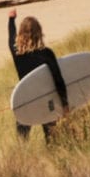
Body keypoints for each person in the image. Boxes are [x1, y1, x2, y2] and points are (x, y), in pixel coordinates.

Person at [8, 10, 68, 143]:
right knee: (52, 138)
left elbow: (11, 37)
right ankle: (54, 158)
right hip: (44, 99)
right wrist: (64, 104)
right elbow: (58, 79)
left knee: (22, 140)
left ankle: (22, 161)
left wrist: (11, 19)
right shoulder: (46, 54)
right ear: (39, 32)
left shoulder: (17, 52)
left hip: (25, 100)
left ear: (21, 33)